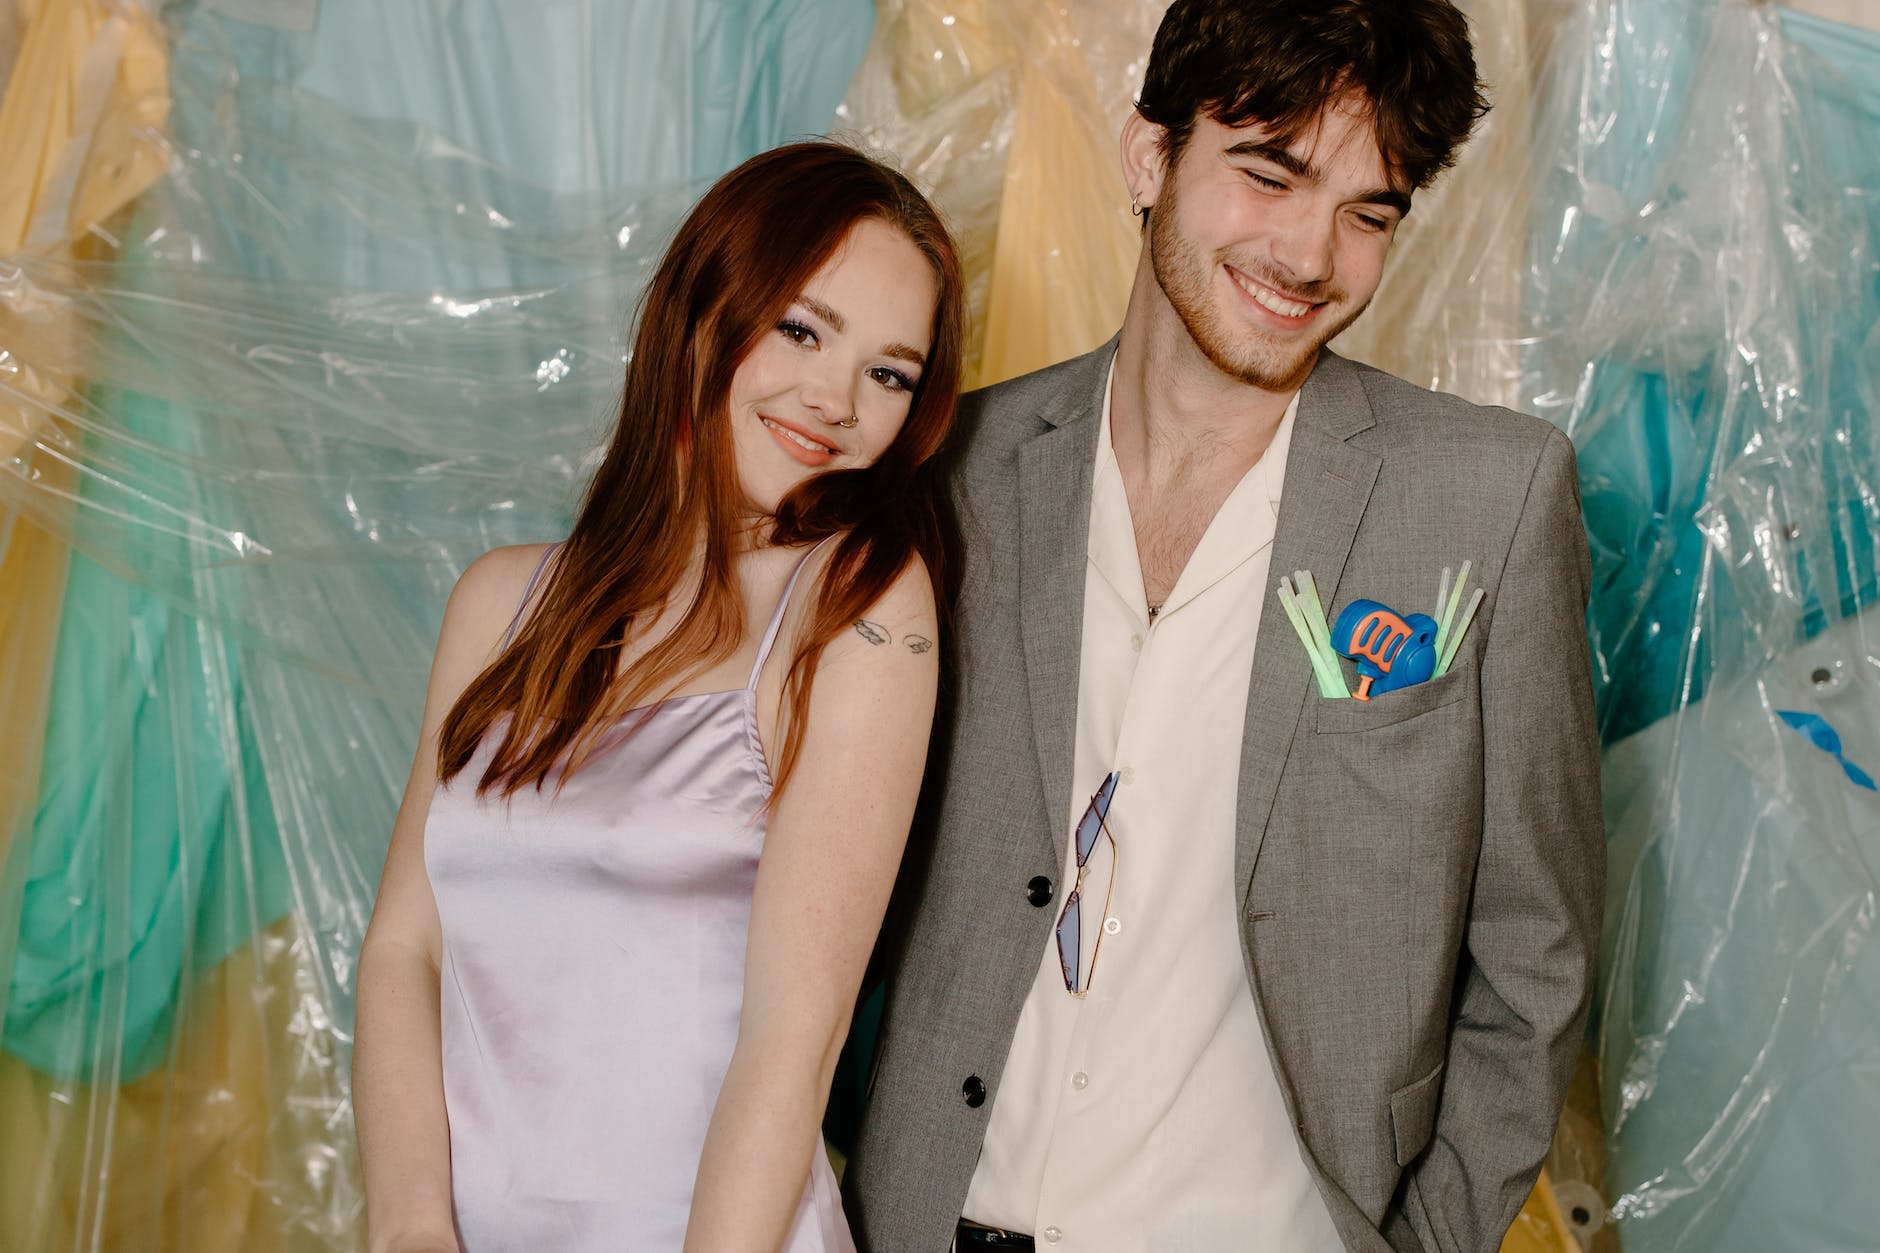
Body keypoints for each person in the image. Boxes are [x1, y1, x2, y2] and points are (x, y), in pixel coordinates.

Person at [844, 2, 1604, 1250]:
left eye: (1369, 212)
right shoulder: (955, 470)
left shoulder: (1488, 496)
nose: (1310, 254)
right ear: (1150, 158)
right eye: (1269, 173)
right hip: (941, 1217)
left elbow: (1537, 951)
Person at [352, 141, 965, 1253]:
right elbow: (406, 947)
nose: (833, 401)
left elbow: (800, 1031)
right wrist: (407, 1228)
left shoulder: (865, 603)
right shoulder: (498, 600)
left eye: (889, 372)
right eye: (801, 328)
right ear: (704, 310)